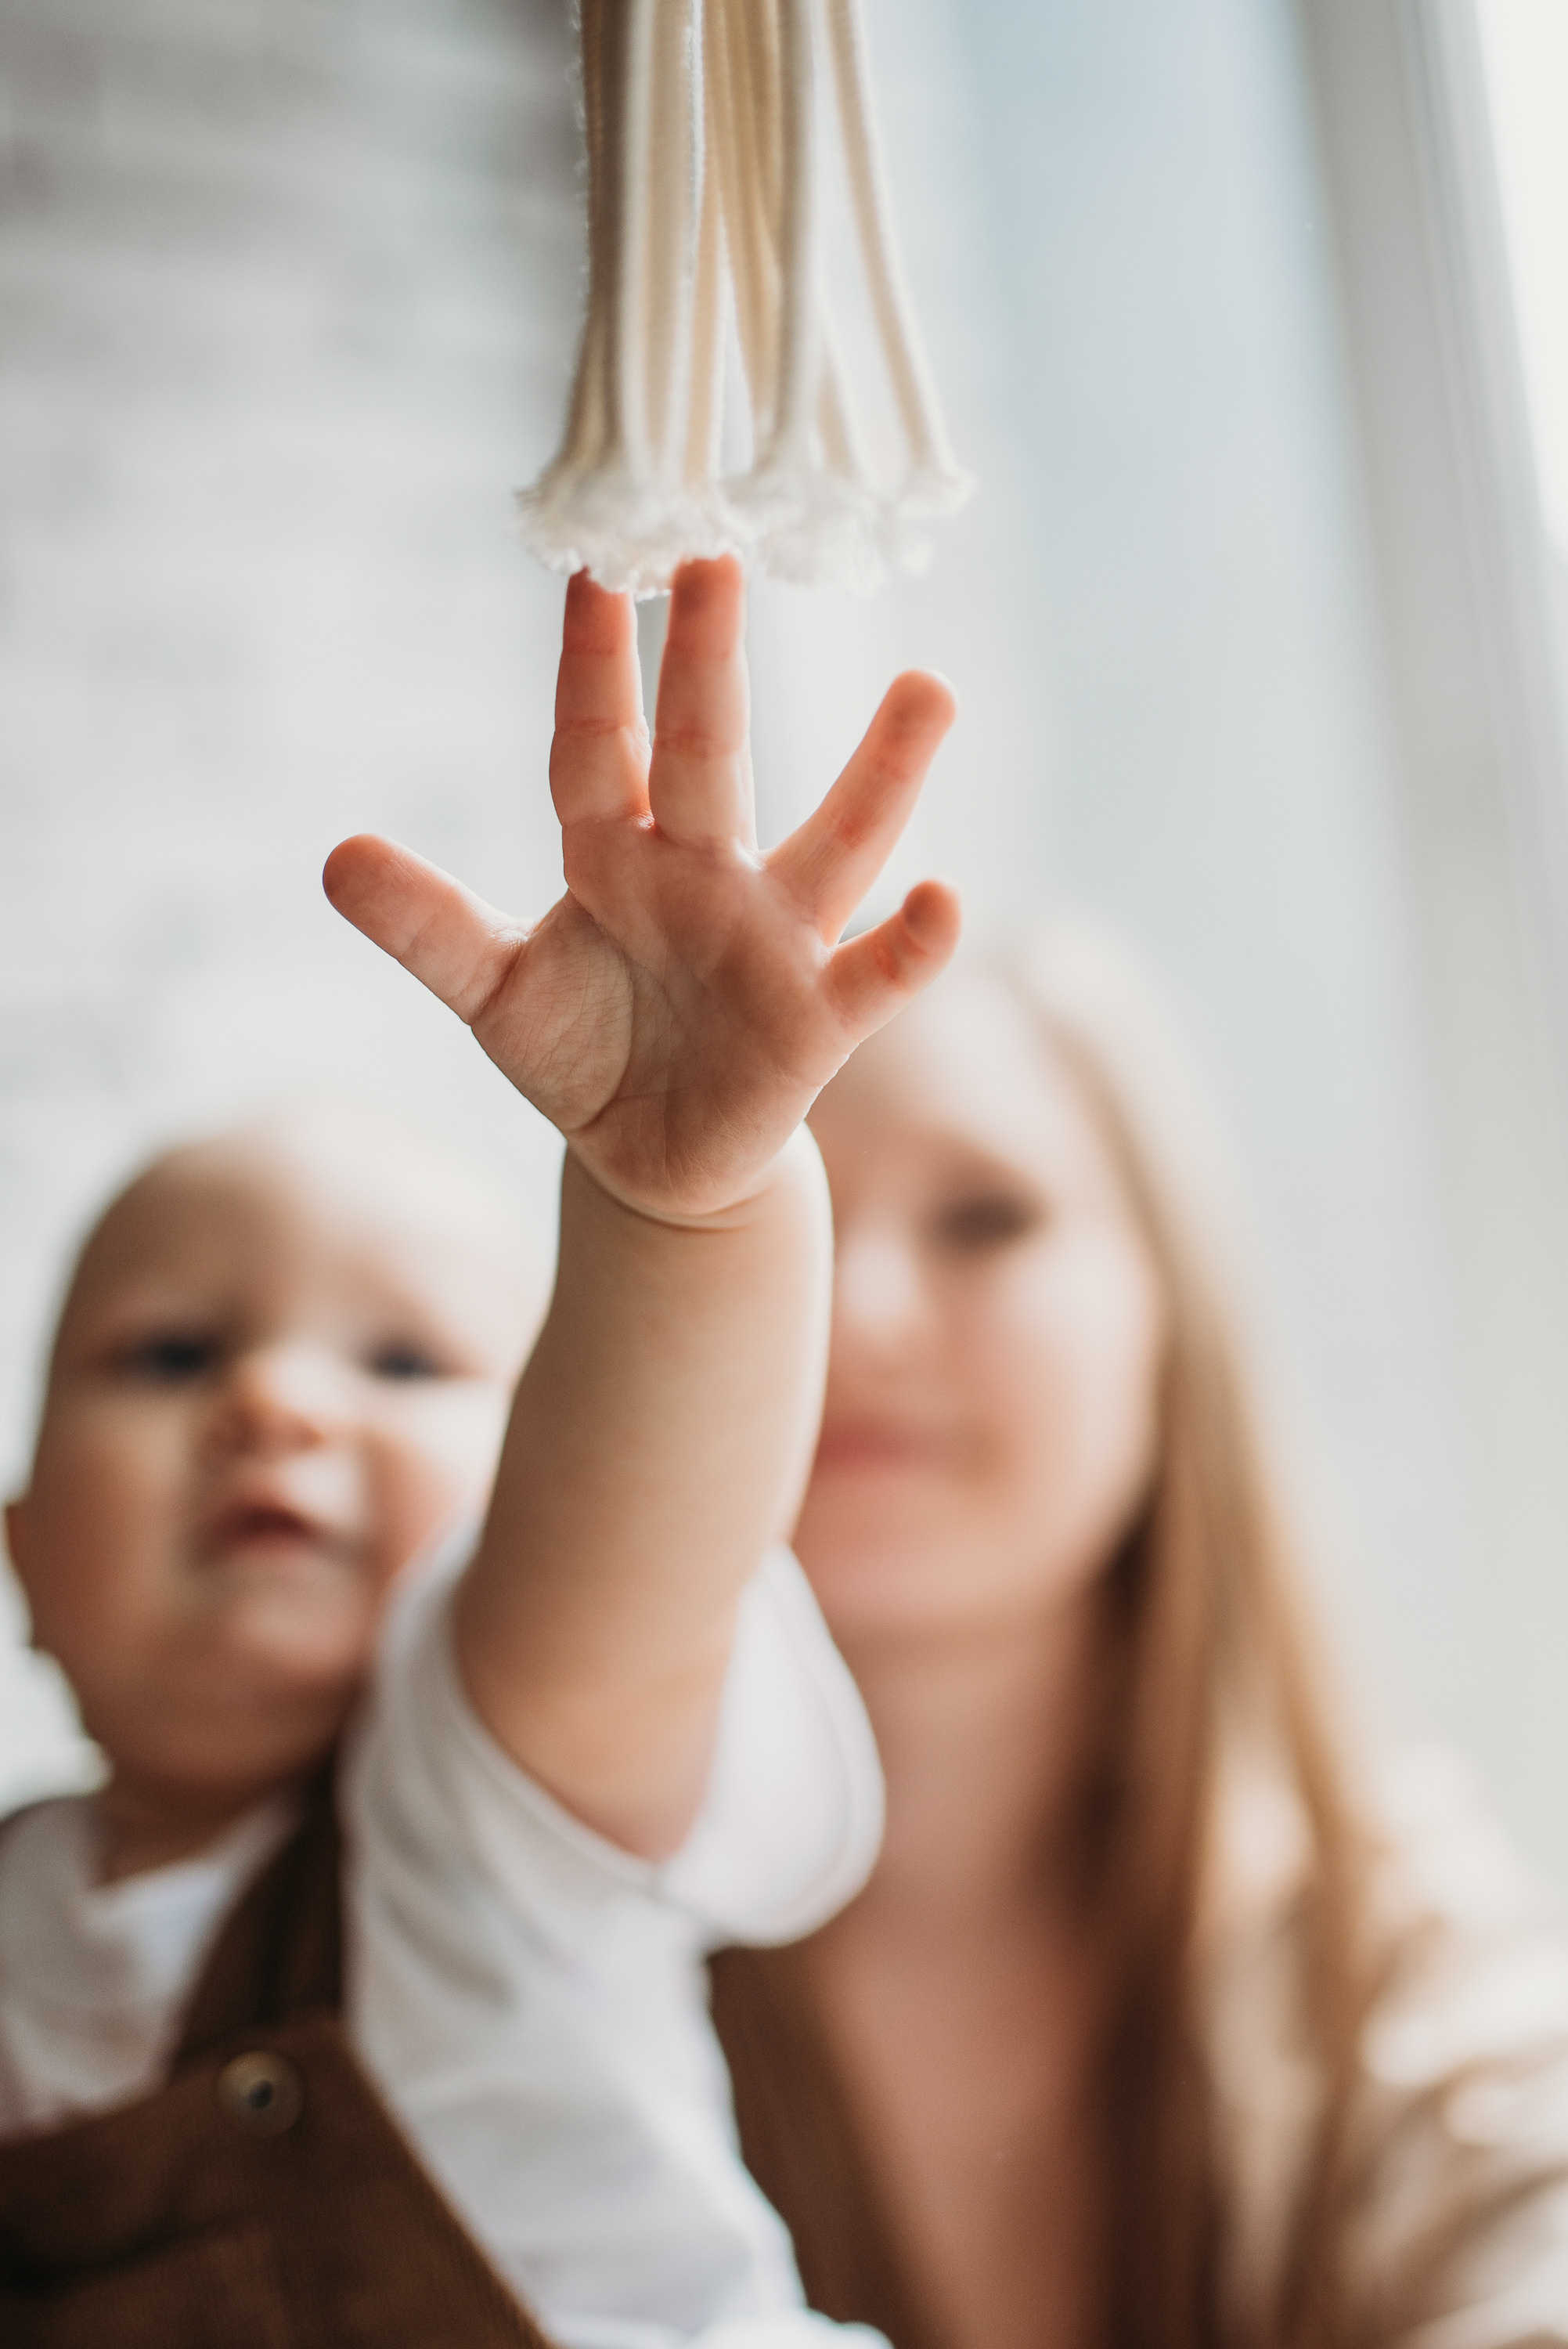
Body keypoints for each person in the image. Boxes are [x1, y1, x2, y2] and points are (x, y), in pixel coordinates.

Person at [0, 554, 957, 2348]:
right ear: (27, 1556)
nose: (275, 1403)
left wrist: (688, 1210)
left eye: (405, 1359)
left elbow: (635, 1541)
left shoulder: (476, 1805)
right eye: (171, 1352)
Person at [708, 921, 1568, 2349]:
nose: (859, 1314)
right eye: (775, 1216)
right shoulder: (526, 1931)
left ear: (1169, 1310)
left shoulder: (1409, 1954)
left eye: (985, 1218)